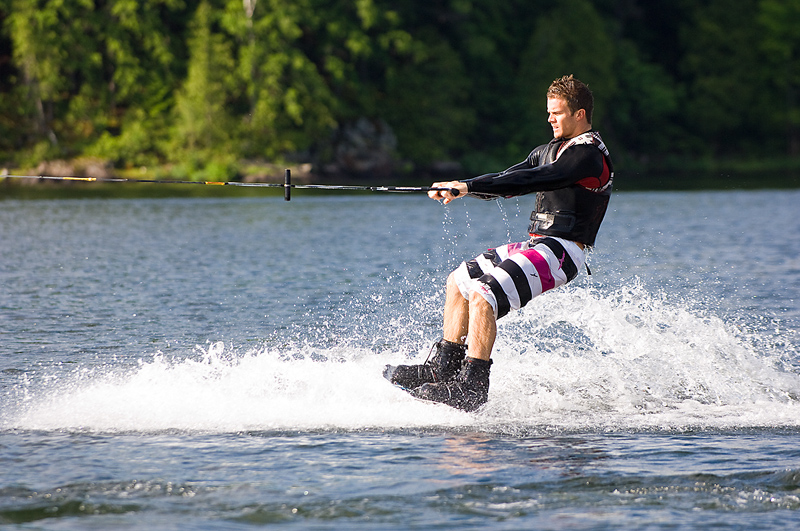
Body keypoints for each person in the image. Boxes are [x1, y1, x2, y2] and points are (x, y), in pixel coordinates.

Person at [383, 75, 614, 412]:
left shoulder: (589, 157)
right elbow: (509, 178)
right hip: (538, 245)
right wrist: (461, 185)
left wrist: (465, 186)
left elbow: (537, 179)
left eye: (557, 113)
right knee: (460, 281)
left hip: (564, 252)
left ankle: (472, 387)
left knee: (484, 294)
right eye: (548, 113)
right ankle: (444, 366)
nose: (550, 119)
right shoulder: (548, 150)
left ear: (580, 114)